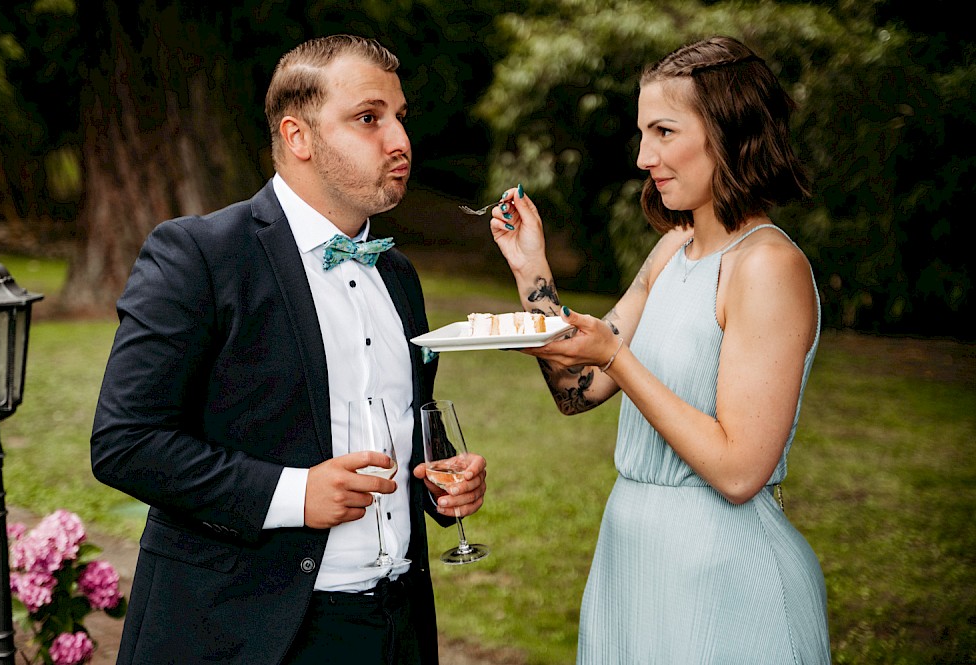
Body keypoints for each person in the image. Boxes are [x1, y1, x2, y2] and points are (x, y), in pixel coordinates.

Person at [91, 34, 487, 665]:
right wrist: (295, 495)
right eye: (368, 118)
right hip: (248, 633)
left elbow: (398, 422)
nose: (400, 142)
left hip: (397, 629)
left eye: (400, 118)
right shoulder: (200, 255)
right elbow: (126, 443)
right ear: (297, 136)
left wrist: (440, 482)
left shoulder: (400, 277)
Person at [490, 35, 830, 663]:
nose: (645, 156)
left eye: (664, 132)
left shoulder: (767, 267)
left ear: (729, 133)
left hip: (726, 579)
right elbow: (577, 389)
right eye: (643, 134)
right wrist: (531, 270)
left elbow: (737, 471)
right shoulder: (673, 249)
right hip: (631, 564)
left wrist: (616, 358)